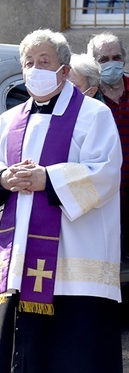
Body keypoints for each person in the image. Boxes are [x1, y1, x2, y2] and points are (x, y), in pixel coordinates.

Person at [0, 29, 128, 373]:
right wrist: (3, 177)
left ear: (63, 69)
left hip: (78, 262)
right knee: (33, 345)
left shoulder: (94, 115)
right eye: (29, 62)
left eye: (44, 62)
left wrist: (48, 179)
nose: (36, 69)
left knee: (77, 351)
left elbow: (106, 172)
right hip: (27, 260)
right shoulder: (10, 120)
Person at [87, 32, 129, 260]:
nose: (111, 63)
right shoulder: (88, 99)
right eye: (103, 59)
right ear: (94, 63)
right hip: (105, 196)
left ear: (124, 58)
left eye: (116, 57)